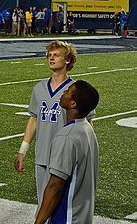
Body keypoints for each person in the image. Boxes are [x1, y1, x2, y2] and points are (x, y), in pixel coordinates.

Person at [14, 40, 95, 207]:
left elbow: (87, 123)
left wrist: (87, 154)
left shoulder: (75, 90)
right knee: (43, 202)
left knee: (63, 204)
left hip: (66, 155)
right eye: (49, 55)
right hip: (42, 153)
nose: (51, 58)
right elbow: (34, 119)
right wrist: (23, 150)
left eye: (56, 55)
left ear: (67, 60)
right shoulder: (39, 88)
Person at [34, 80, 100, 224]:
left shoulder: (66, 136)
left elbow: (55, 186)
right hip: (83, 216)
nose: (63, 93)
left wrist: (38, 221)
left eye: (68, 91)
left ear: (73, 104)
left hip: (67, 217)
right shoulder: (87, 130)